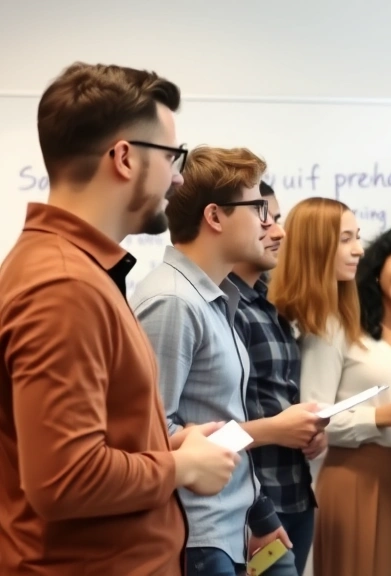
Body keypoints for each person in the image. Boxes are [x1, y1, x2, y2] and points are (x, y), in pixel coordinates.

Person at [0, 62, 238, 575]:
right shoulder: (63, 286)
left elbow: (80, 443)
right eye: (173, 157)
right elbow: (64, 479)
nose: (178, 178)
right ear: (125, 157)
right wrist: (180, 466)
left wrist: (162, 444)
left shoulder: (75, 269)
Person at [132, 146, 325, 576]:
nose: (268, 222)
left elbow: (218, 416)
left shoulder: (214, 297)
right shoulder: (173, 300)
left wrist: (259, 513)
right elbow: (152, 433)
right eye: (258, 207)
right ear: (215, 217)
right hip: (200, 534)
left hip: (234, 524)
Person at [292, 219, 391, 576]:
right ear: (380, 261)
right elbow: (311, 418)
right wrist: (379, 417)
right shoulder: (336, 323)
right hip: (352, 477)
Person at [229, 181, 328, 576]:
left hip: (295, 493)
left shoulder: (272, 301)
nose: (279, 231)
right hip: (251, 506)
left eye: (278, 218)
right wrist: (276, 429)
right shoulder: (220, 305)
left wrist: (308, 430)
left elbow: (279, 396)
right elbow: (203, 428)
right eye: (263, 217)